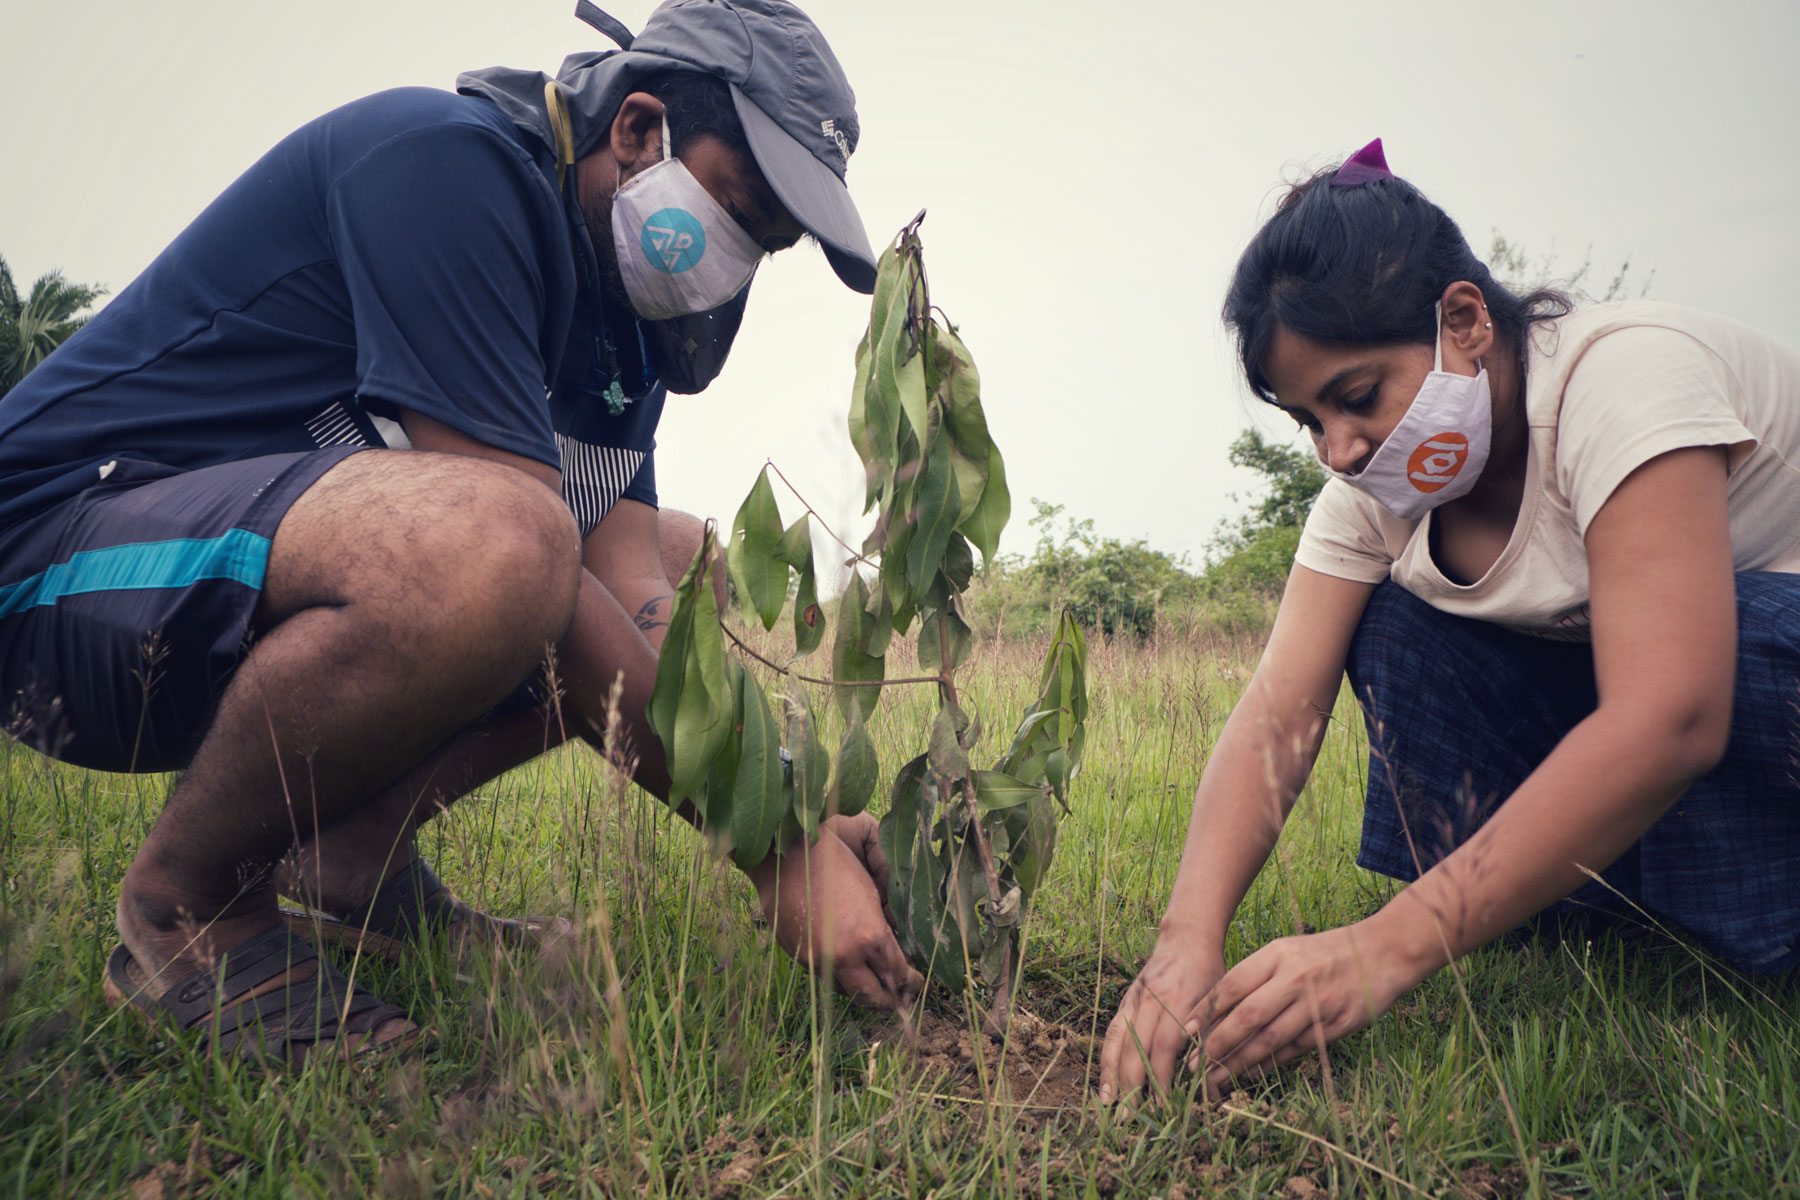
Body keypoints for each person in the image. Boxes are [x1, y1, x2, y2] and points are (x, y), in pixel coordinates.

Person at [0, 0, 921, 1064]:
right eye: (740, 207)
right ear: (637, 129)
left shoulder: (619, 318)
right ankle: (191, 914)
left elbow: (632, 584)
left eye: (768, 241)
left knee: (682, 563)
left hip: (229, 602)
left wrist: (790, 803)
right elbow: (533, 574)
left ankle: (354, 851)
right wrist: (777, 854)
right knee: (513, 544)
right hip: (55, 561)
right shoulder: (439, 164)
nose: (739, 255)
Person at [1099, 139, 1800, 1102]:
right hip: (1656, 728)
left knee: (1748, 632)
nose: (1339, 451)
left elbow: (1673, 715)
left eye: (1356, 398)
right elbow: (1279, 712)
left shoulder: (1623, 382)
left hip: (1765, 686)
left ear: (1464, 321)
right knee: (1396, 629)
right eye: (1308, 421)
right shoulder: (1373, 497)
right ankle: (1591, 917)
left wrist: (1382, 949)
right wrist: (1187, 939)